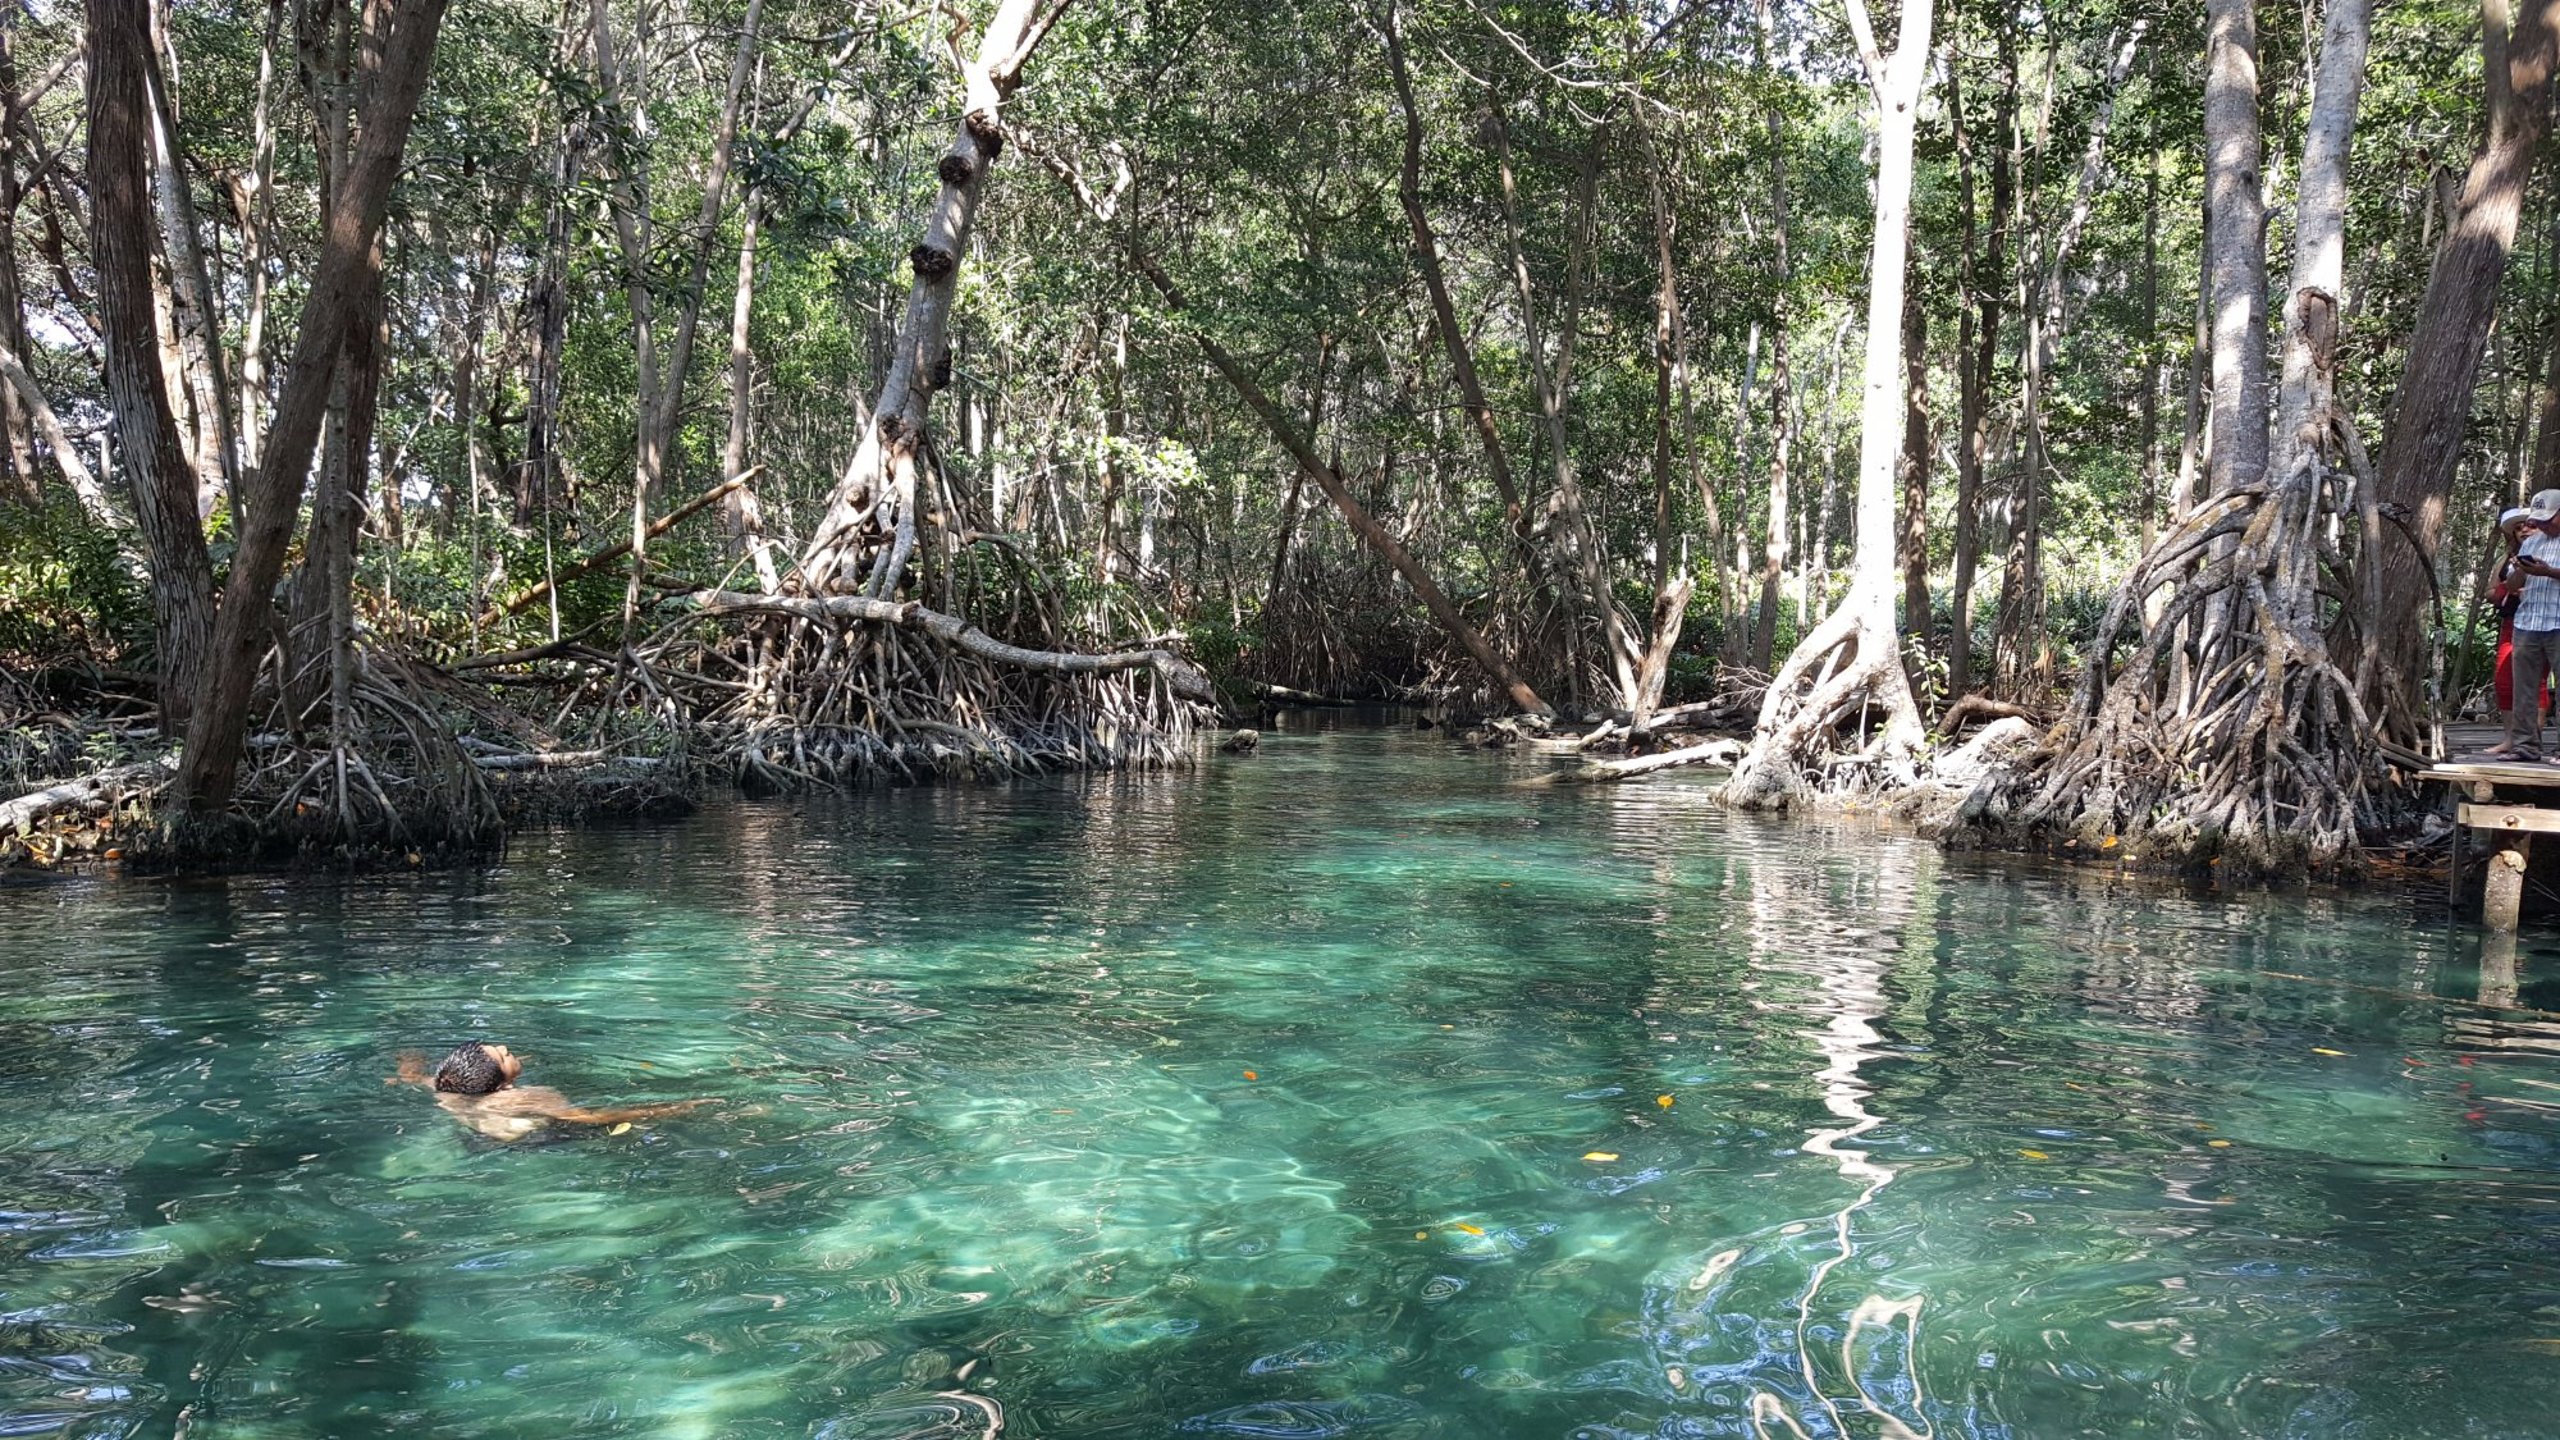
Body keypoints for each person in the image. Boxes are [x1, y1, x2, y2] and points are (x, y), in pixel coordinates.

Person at [389, 1040, 709, 1141]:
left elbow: (414, 1077)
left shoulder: (447, 1089)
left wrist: (408, 1059)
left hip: (481, 1137)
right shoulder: (530, 1097)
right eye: (505, 1056)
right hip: (533, 1143)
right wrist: (669, 1110)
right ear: (504, 1084)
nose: (504, 1046)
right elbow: (589, 1117)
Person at [2488, 489, 2560, 761]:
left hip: (2558, 621)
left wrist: (2548, 572)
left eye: (2548, 519)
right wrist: (2521, 569)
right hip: (2529, 622)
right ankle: (2525, 746)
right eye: (2538, 520)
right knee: (2524, 688)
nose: (2541, 525)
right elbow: (2512, 586)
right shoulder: (2532, 542)